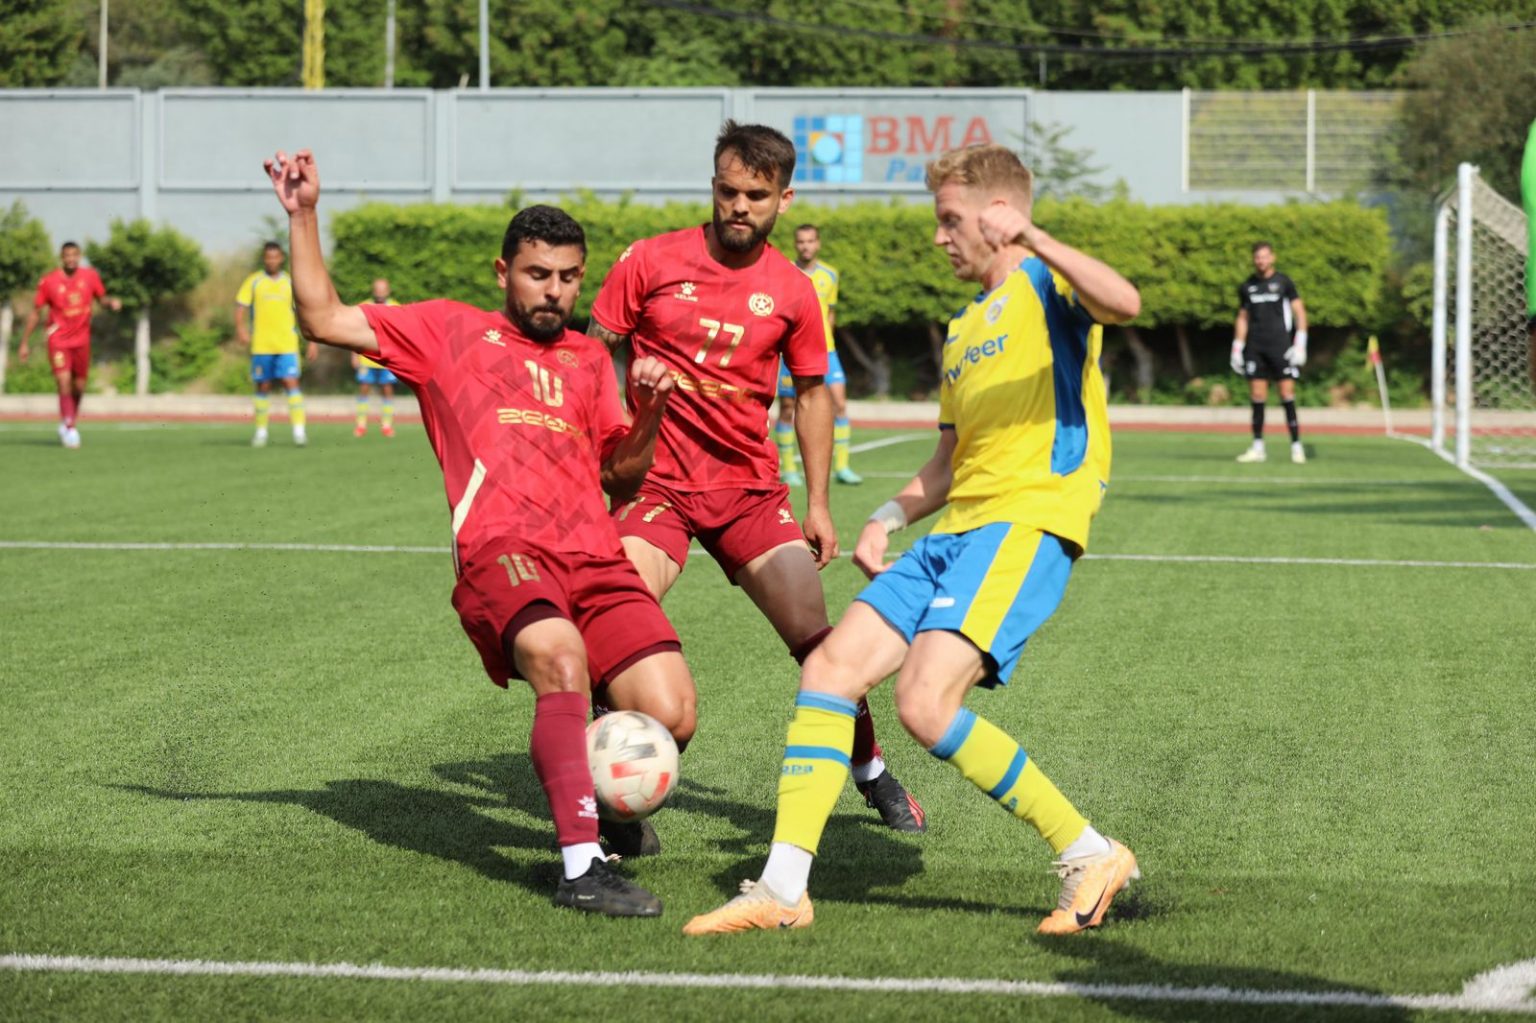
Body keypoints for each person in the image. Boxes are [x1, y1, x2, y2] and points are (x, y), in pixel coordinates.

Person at [684, 143, 1142, 937]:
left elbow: (1125, 302)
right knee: (830, 668)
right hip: (952, 533)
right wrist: (887, 516)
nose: (939, 237)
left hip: (1024, 524)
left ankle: (1090, 851)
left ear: (1000, 217)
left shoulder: (1047, 284)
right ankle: (783, 889)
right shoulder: (963, 327)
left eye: (950, 220)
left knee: (925, 704)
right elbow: (947, 463)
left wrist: (1034, 237)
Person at [264, 147, 693, 918]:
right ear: (503, 272)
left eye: (569, 277)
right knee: (560, 659)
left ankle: (600, 801)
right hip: (507, 553)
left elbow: (622, 479)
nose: (554, 290)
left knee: (673, 711)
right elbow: (323, 317)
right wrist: (303, 215)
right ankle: (580, 867)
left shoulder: (589, 359)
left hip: (596, 556)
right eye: (538, 274)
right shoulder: (446, 331)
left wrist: (651, 411)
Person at [586, 121, 925, 848]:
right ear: (713, 186)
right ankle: (615, 794)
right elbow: (591, 352)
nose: (739, 205)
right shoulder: (648, 260)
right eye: (728, 190)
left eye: (756, 195)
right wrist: (607, 434)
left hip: (748, 491)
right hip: (657, 487)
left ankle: (871, 771)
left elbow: (813, 394)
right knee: (615, 618)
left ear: (784, 198)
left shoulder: (794, 291)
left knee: (821, 645)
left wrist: (819, 503)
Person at [774, 224, 861, 486]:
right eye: (801, 241)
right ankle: (789, 469)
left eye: (810, 241)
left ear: (818, 243)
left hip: (826, 351)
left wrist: (826, 339)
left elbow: (830, 312)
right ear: (795, 244)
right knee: (787, 408)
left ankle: (842, 467)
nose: (806, 246)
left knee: (840, 404)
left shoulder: (830, 275)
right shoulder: (784, 272)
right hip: (793, 352)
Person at [17, 242, 122, 449]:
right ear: (61, 257)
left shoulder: (90, 276)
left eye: (74, 255)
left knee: (80, 386)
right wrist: (24, 343)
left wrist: (110, 303)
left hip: (82, 340)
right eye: (67, 255)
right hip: (58, 340)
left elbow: (101, 299)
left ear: (80, 256)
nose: (71, 259)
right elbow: (36, 313)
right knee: (63, 381)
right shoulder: (49, 281)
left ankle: (68, 420)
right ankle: (70, 427)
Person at [1230, 242, 1308, 464]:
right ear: (1253, 259)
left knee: (1286, 394)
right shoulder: (1247, 286)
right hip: (1256, 348)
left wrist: (1300, 343)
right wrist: (1237, 347)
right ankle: (1258, 447)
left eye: (1264, 256)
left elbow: (1300, 313)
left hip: (1281, 347)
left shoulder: (1283, 282)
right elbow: (1243, 318)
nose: (1261, 261)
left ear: (1272, 257)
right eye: (1257, 257)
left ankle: (1296, 446)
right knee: (1257, 396)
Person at [237, 242, 317, 448]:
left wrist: (311, 340)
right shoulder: (254, 281)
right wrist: (241, 329)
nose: (272, 261)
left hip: (287, 345)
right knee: (262, 386)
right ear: (264, 259)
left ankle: (299, 432)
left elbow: (302, 314)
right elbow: (241, 306)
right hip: (262, 345)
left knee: (291, 383)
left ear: (281, 258)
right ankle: (261, 432)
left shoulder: (290, 282)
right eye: (268, 257)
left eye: (275, 257)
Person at [353, 278, 400, 438]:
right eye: (377, 290)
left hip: (387, 358)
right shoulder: (364, 306)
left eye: (383, 290)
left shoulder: (396, 308)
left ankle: (386, 425)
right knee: (364, 388)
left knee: (387, 389)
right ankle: (361, 425)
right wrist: (354, 354)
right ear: (373, 290)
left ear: (388, 290)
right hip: (367, 357)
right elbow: (355, 332)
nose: (380, 293)